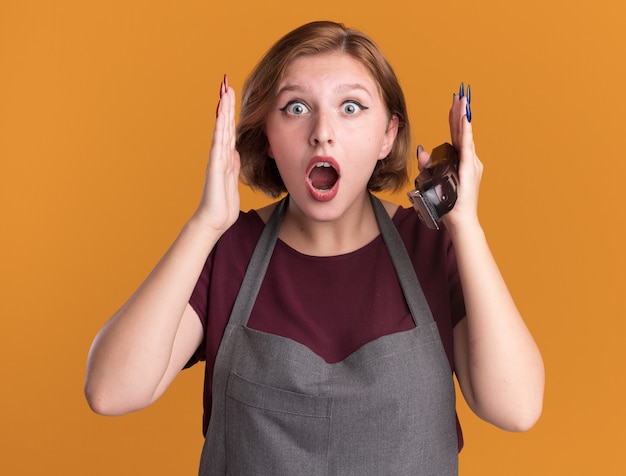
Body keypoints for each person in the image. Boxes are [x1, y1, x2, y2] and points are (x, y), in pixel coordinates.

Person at [84, 20, 544, 475]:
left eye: (350, 107)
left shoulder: (433, 248)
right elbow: (110, 391)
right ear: (266, 135)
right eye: (296, 108)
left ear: (388, 134)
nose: (322, 131)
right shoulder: (228, 252)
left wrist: (465, 227)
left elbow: (516, 408)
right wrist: (205, 224)